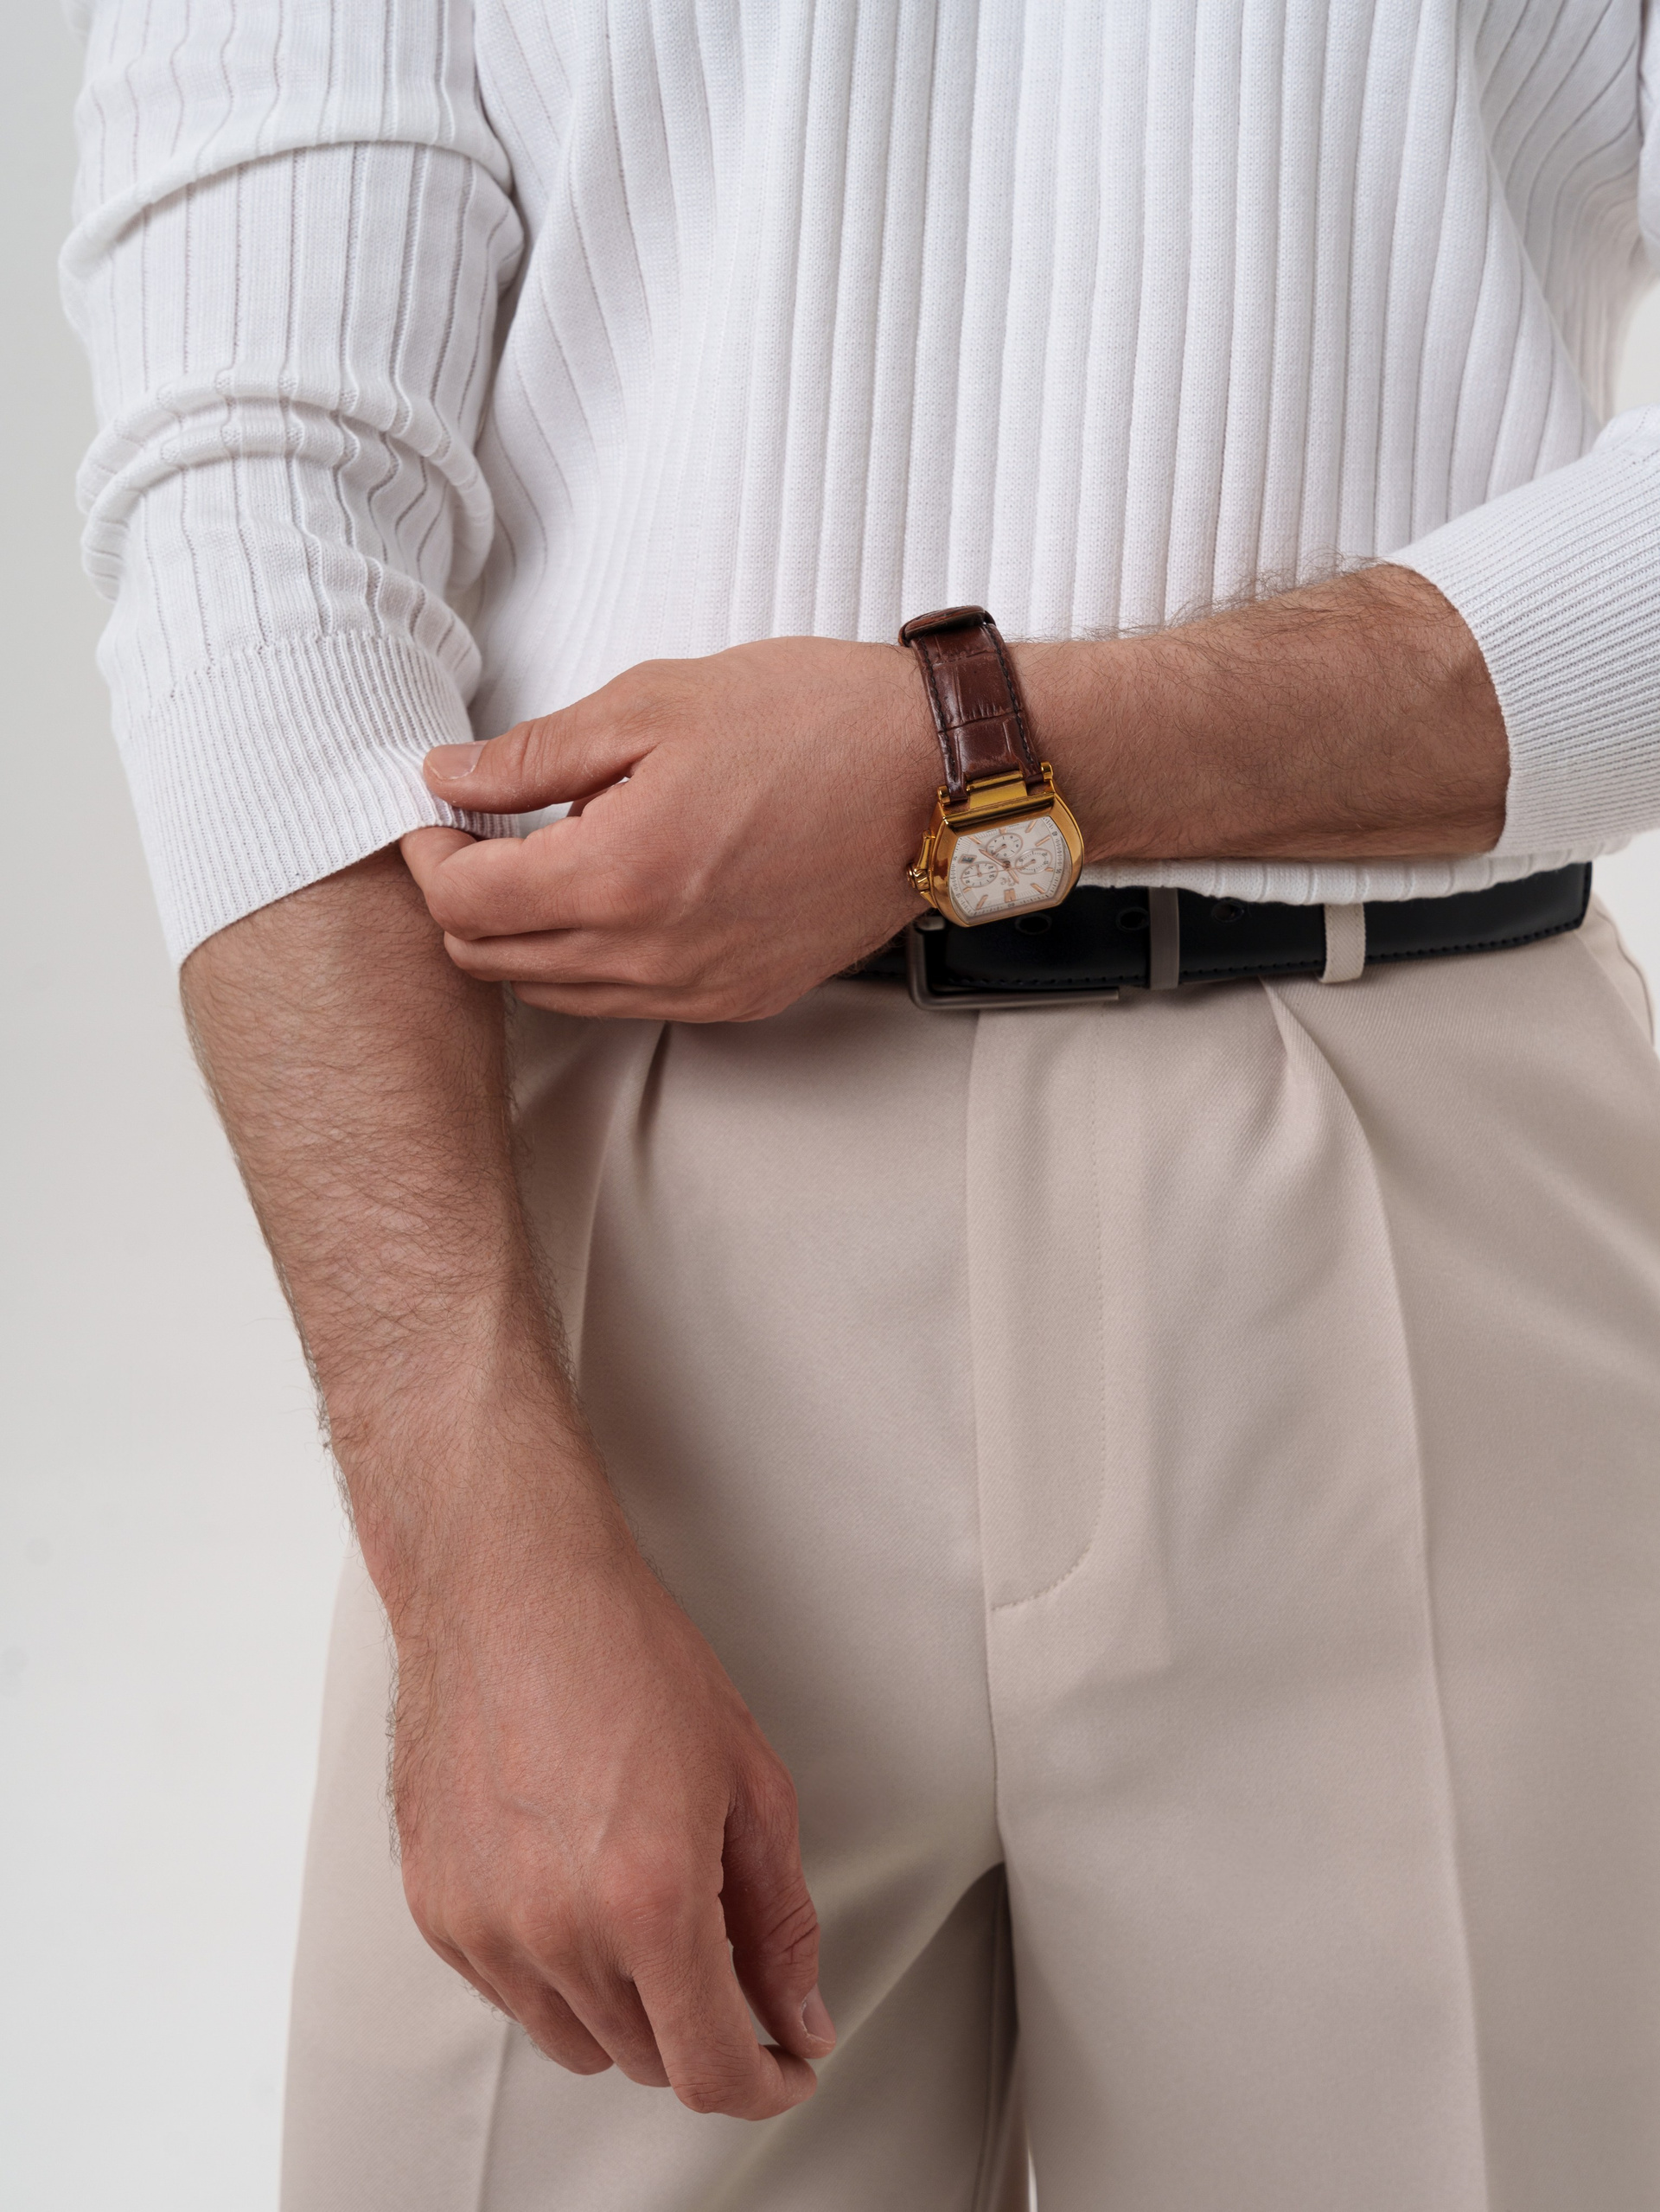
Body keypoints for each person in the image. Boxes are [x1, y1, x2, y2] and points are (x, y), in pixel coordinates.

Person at [64, 1, 1660, 2205]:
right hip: (626, 1268)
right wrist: (471, 1537)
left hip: (1423, 1191)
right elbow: (250, 513)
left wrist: (976, 752)